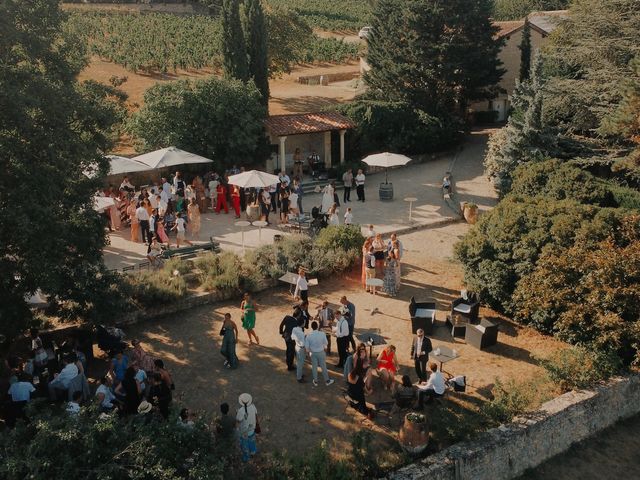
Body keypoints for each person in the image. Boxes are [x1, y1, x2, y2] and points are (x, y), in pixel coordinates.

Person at [304, 321, 335, 387]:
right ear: (317, 327)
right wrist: (324, 349)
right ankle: (327, 381)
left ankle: (315, 381)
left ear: (311, 327)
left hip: (313, 353)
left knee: (314, 367)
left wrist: (308, 353)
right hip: (321, 352)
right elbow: (326, 343)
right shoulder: (322, 334)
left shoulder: (308, 335)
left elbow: (307, 347)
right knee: (323, 367)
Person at [236, 393, 258, 462]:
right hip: (252, 429)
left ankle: (246, 457)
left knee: (245, 445)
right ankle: (253, 451)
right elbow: (255, 414)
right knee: (252, 441)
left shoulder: (241, 411)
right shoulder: (253, 406)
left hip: (244, 432)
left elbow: (238, 421)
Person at [279, 307, 299, 371]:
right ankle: (290, 366)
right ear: (298, 315)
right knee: (291, 351)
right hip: (292, 339)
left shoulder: (287, 317)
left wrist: (281, 332)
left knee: (288, 350)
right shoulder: (296, 322)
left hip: (286, 336)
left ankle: (288, 363)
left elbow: (281, 325)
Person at [291, 318, 307, 383]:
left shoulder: (294, 329)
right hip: (301, 348)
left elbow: (292, 337)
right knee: (301, 363)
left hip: (297, 346)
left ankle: (299, 374)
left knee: (298, 362)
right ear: (302, 324)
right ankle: (299, 378)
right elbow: (304, 344)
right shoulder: (301, 333)